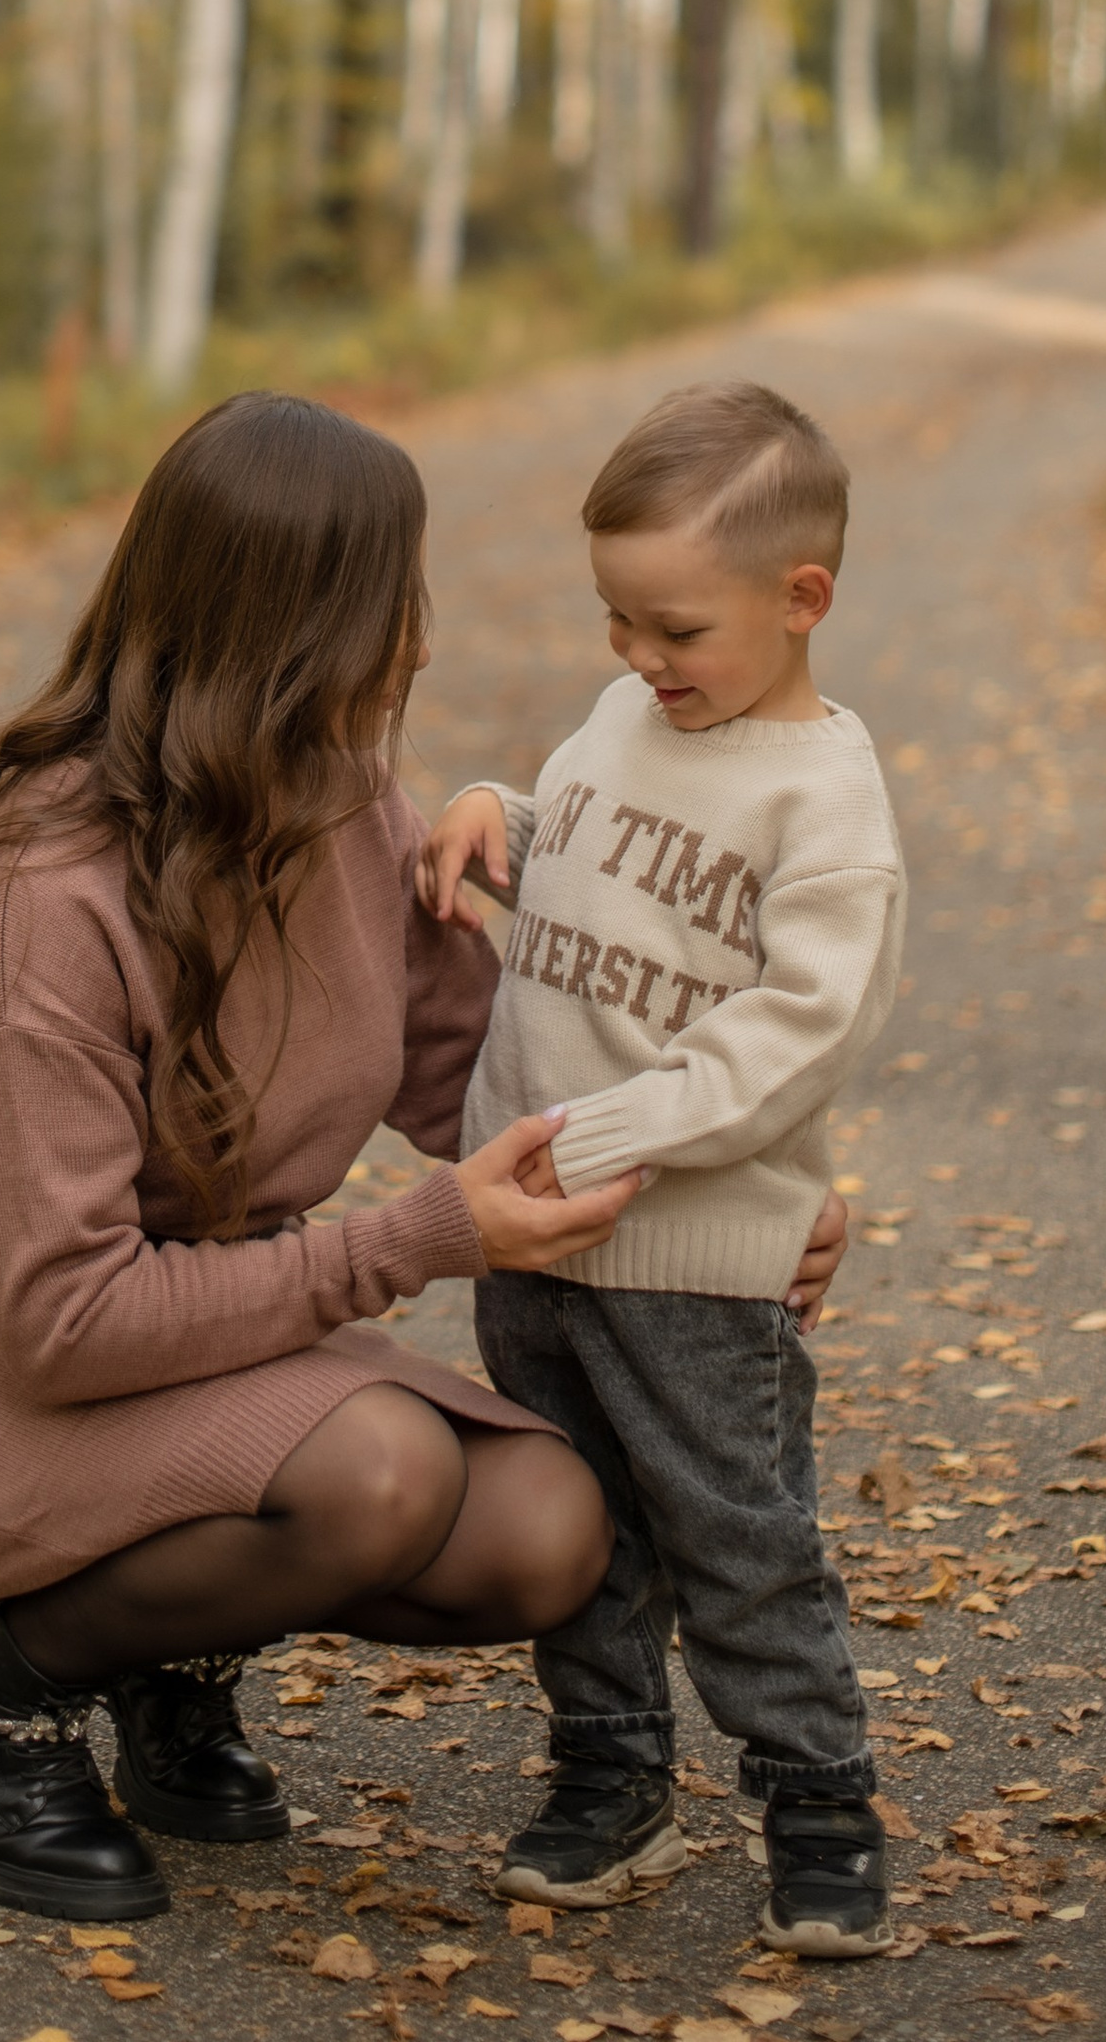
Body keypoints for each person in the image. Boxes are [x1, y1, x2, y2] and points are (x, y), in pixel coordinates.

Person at [0, 390, 650, 1927]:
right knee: (375, 1477)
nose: (422, 642)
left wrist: (733, 1210)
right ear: (307, 626)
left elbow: (492, 1095)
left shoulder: (349, 811)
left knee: (549, 1534)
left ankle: (168, 1654)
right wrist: (408, 1244)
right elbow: (64, 1322)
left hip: (192, 1338)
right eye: (399, 600)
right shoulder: (44, 896)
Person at [418, 377, 903, 1961]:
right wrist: (503, 802)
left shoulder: (823, 802)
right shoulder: (632, 717)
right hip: (539, 1246)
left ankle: (819, 1803)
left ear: (800, 599)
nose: (636, 658)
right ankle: (611, 1775)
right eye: (615, 619)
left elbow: (799, 1034)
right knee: (584, 1531)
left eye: (673, 629)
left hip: (691, 1259)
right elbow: (587, 836)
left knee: (736, 1536)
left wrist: (610, 1135)